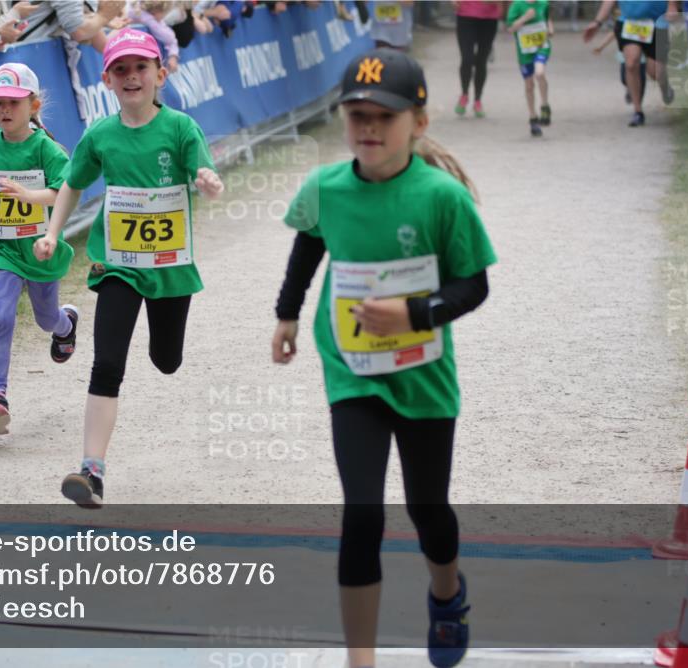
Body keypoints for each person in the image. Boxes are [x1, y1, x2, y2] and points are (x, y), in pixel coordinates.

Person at [271, 49, 496, 668]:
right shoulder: (326, 188)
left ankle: (447, 593)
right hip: (352, 373)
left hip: (424, 378)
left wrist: (413, 314)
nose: (368, 127)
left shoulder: (441, 198)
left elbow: (474, 286)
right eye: (356, 115)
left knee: (429, 511)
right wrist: (287, 314)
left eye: (383, 117)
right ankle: (360, 659)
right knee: (362, 512)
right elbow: (308, 244)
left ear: (417, 123)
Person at [33, 29, 223, 508]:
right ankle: (90, 471)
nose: (131, 76)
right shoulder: (100, 135)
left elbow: (203, 170)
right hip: (116, 263)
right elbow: (72, 185)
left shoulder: (180, 128)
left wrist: (206, 180)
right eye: (121, 69)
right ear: (107, 80)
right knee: (107, 362)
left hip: (171, 268)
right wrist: (53, 232)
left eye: (140, 68)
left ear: (160, 75)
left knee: (166, 359)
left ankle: (163, 351)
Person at [0, 63, 79, 435]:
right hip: (2, 247)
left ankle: (66, 323)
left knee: (45, 319)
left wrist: (29, 196)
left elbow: (64, 193)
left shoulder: (46, 149)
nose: (4, 110)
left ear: (34, 104)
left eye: (13, 102)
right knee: (2, 315)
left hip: (39, 247)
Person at [583, 0, 678, 127]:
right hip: (629, 22)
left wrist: (672, 5)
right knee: (631, 63)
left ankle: (665, 88)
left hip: (656, 22)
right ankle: (638, 111)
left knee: (656, 72)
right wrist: (598, 22)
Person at [506, 0, 553, 137]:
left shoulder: (543, 3)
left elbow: (547, 18)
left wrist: (550, 29)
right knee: (529, 85)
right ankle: (533, 118)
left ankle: (544, 105)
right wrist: (524, 18)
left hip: (541, 46)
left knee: (540, 73)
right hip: (525, 51)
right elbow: (510, 28)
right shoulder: (517, 5)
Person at [453, 0, 502, 118]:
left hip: (489, 18)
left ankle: (477, 100)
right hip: (465, 15)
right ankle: (464, 94)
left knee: (481, 60)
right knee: (467, 58)